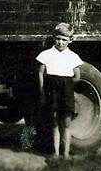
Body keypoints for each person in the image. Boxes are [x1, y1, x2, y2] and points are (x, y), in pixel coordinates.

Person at [36, 23, 83, 158]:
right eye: (58, 39)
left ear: (70, 40)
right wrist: (43, 90)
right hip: (51, 90)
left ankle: (66, 154)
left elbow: (77, 76)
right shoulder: (46, 54)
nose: (60, 42)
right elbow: (40, 73)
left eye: (64, 40)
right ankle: (55, 153)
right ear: (53, 38)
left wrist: (66, 85)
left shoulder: (73, 56)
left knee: (66, 122)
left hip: (65, 90)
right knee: (55, 122)